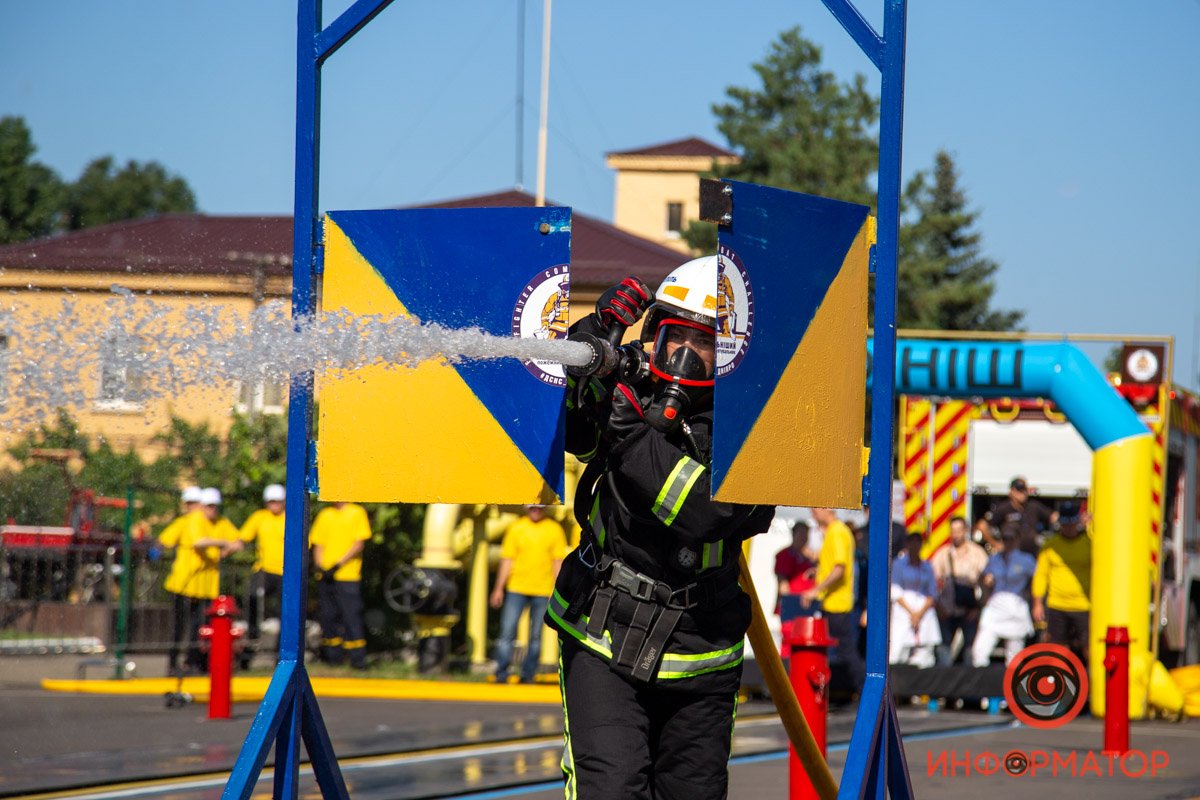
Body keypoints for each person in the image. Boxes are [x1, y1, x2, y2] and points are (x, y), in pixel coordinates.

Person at [545, 262, 774, 800]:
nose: (686, 360)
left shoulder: (755, 427)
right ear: (652, 338)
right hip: (601, 631)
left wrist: (628, 438)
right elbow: (569, 423)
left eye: (706, 348)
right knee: (611, 788)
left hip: (703, 651)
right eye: (675, 340)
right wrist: (593, 336)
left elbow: (708, 510)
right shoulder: (630, 394)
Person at [158, 487, 238, 675]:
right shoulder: (192, 520)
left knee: (199, 627)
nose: (212, 509)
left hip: (205, 585)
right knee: (179, 627)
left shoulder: (219, 522)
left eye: (214, 506)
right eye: (208, 506)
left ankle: (191, 663)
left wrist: (226, 549)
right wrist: (223, 544)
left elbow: (238, 540)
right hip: (184, 582)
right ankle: (173, 664)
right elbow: (197, 542)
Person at [490, 504, 568, 683]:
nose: (535, 509)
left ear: (545, 508)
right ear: (526, 508)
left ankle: (528, 675)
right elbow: (507, 560)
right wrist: (498, 588)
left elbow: (557, 563)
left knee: (536, 636)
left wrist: (557, 592)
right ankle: (501, 673)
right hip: (516, 588)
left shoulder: (554, 530)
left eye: (539, 507)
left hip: (542, 590)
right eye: (532, 506)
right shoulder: (516, 528)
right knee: (507, 631)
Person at [801, 508, 866, 694]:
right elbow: (834, 566)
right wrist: (818, 573)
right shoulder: (833, 532)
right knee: (839, 652)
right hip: (832, 603)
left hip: (837, 604)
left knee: (847, 652)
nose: (812, 513)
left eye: (815, 509)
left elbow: (839, 568)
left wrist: (816, 590)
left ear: (828, 509)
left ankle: (864, 691)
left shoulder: (837, 532)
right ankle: (849, 691)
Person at [309, 501, 372, 670]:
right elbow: (317, 544)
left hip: (347, 575)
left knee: (351, 616)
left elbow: (359, 543)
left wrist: (338, 565)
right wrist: (321, 567)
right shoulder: (325, 514)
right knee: (328, 616)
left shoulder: (356, 512)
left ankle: (358, 660)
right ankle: (332, 658)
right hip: (326, 575)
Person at [1032, 501, 1091, 665]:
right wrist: (1037, 603)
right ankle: (1062, 681)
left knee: (1089, 647)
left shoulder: (1089, 544)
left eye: (1072, 523)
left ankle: (1095, 681)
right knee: (1058, 647)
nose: (1068, 528)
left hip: (1083, 605)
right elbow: (1041, 575)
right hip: (1057, 604)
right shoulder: (1051, 546)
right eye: (1065, 524)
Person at [234, 483, 287, 667]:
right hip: (264, 569)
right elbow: (242, 538)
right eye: (271, 502)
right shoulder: (260, 517)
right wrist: (225, 549)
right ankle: (250, 645)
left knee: (285, 612)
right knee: (251, 600)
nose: (274, 505)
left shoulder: (290, 517)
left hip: (284, 572)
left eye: (277, 502)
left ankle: (281, 656)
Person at [971, 525, 1037, 667]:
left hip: (1016, 604)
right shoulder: (994, 559)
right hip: (996, 604)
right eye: (1005, 539)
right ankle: (981, 685)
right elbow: (982, 578)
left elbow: (1037, 581)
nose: (1008, 542)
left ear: (1017, 540)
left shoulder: (1026, 560)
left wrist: (1034, 602)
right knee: (980, 651)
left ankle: (1010, 686)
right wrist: (986, 589)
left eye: (1011, 539)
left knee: (1014, 657)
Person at [930, 516, 988, 665]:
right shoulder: (943, 554)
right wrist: (937, 606)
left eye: (959, 531)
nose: (956, 534)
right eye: (953, 531)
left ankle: (969, 686)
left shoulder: (978, 553)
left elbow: (987, 583)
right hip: (947, 610)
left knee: (971, 650)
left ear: (966, 531)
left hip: (970, 611)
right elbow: (931, 583)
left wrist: (979, 607)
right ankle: (945, 685)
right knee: (944, 649)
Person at [889, 532, 941, 668]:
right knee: (897, 652)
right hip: (903, 611)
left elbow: (932, 592)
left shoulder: (927, 566)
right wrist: (912, 613)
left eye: (918, 543)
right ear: (907, 544)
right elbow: (895, 591)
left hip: (924, 613)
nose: (915, 546)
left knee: (924, 654)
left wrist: (919, 614)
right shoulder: (898, 564)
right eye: (912, 542)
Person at [975, 476, 1057, 555]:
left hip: (1032, 552)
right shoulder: (1003, 508)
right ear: (1012, 492)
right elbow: (982, 525)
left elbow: (1053, 516)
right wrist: (995, 544)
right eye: (1019, 490)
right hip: (1011, 553)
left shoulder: (1034, 506)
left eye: (1024, 490)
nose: (1023, 493)